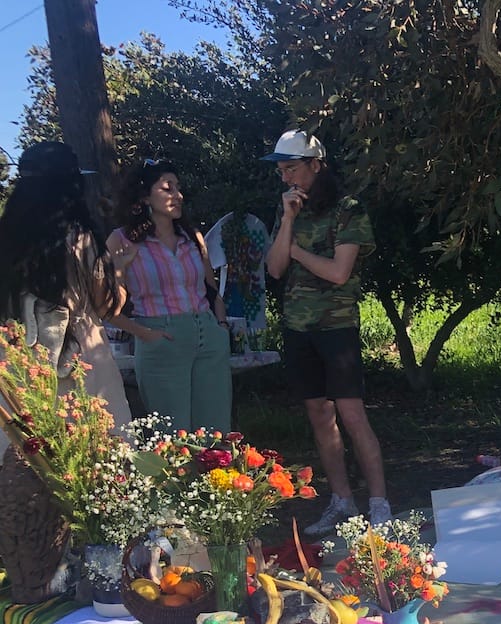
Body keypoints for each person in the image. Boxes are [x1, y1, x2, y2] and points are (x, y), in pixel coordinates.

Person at [263, 130, 390, 533]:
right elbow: (274, 269)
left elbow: (338, 273)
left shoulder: (348, 209)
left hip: (336, 326)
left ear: (316, 165)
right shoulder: (288, 209)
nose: (286, 178)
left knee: (352, 414)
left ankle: (379, 503)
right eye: (281, 171)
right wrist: (288, 221)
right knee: (320, 414)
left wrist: (296, 250)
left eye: (291, 169)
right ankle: (342, 501)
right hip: (297, 327)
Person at [0, 141, 132, 457]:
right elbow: (107, 306)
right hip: (77, 354)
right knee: (95, 456)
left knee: (25, 457)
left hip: (17, 357)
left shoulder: (6, 237)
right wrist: (118, 272)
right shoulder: (78, 236)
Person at [106, 159, 232, 433]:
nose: (178, 195)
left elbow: (211, 290)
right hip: (161, 337)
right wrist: (144, 334)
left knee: (215, 431)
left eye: (178, 187)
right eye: (168, 188)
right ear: (144, 196)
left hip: (208, 336)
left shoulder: (192, 237)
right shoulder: (122, 240)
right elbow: (108, 306)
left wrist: (221, 327)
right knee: (172, 434)